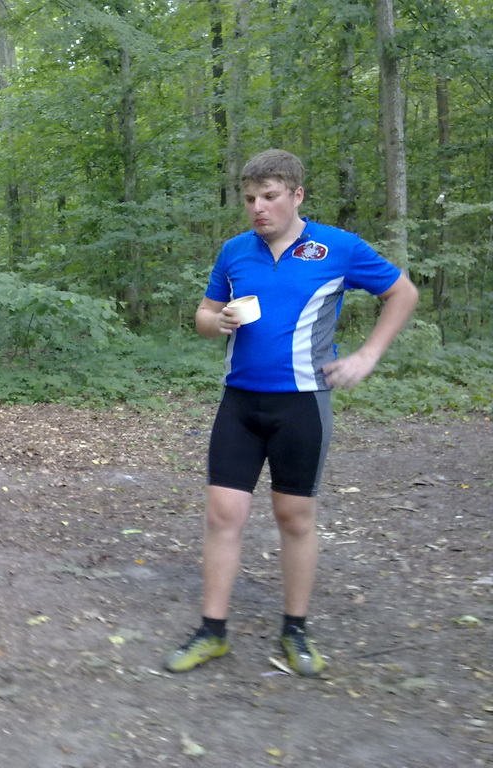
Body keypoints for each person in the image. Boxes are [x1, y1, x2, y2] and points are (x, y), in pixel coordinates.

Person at [164, 149, 418, 676]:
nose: (258, 207)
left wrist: (368, 355)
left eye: (270, 196)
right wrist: (217, 321)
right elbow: (204, 315)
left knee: (294, 517)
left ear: (297, 195)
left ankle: (295, 630)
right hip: (239, 402)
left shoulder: (338, 248)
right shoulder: (235, 251)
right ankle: (212, 631)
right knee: (222, 515)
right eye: (250, 198)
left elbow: (402, 293)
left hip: (302, 403)